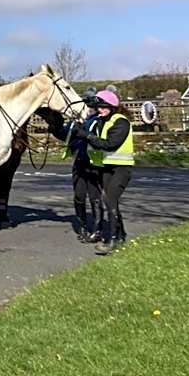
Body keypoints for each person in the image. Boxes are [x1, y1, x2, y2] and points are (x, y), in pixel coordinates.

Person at [65, 89, 134, 255]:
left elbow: (110, 144)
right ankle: (121, 235)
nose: (100, 110)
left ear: (112, 106)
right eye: (98, 107)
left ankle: (112, 240)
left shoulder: (121, 122)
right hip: (106, 167)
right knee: (112, 202)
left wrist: (87, 136)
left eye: (103, 107)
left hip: (121, 168)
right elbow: (96, 141)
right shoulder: (103, 120)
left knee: (109, 199)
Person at [44, 87, 104, 243]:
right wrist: (55, 128)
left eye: (90, 105)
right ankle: (83, 227)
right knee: (79, 196)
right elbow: (66, 136)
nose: (88, 108)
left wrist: (84, 133)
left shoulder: (99, 120)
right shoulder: (75, 122)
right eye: (86, 104)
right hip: (78, 163)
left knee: (95, 197)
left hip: (93, 163)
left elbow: (99, 139)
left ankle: (97, 229)